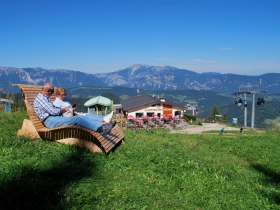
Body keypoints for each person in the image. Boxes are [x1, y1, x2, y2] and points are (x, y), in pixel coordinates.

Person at [34, 82, 115, 135]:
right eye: (51, 92)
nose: (52, 94)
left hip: (53, 118)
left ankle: (102, 126)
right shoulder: (42, 99)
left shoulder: (44, 98)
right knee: (77, 119)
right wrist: (64, 110)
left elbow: (53, 109)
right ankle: (101, 129)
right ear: (48, 91)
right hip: (49, 120)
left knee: (81, 116)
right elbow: (53, 111)